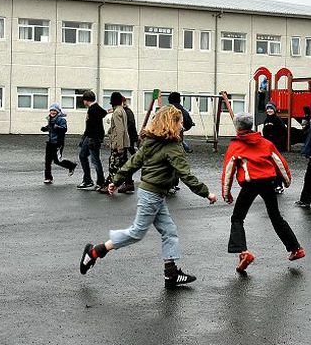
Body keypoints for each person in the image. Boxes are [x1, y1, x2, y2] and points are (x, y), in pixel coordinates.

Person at [79, 105, 217, 288]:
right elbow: (186, 175)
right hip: (152, 195)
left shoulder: (151, 141)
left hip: (153, 194)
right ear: (171, 123)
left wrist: (116, 180)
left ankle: (171, 274)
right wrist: (206, 193)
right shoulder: (173, 147)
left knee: (169, 231)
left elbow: (133, 162)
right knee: (137, 233)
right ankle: (95, 252)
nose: (182, 127)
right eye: (180, 123)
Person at [222, 112, 305, 273]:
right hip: (268, 182)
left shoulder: (235, 146)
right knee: (275, 216)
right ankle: (296, 249)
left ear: (237, 127)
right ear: (251, 125)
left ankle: (243, 252)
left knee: (238, 218)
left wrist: (226, 193)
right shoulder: (265, 143)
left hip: (250, 183)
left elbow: (228, 171)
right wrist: (286, 180)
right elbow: (280, 162)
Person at [100, 92, 130, 194]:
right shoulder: (122, 110)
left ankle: (109, 185)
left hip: (118, 143)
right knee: (122, 164)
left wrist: (119, 145)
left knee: (113, 164)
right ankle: (127, 183)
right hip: (123, 141)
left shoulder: (117, 112)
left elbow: (119, 129)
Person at [77, 90, 107, 190]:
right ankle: (88, 180)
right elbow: (103, 113)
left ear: (86, 100)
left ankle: (100, 182)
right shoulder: (95, 108)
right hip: (90, 137)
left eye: (83, 100)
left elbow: (92, 127)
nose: (83, 102)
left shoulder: (93, 109)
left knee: (95, 160)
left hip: (92, 138)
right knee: (83, 155)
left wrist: (88, 138)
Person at [41, 103, 77, 184]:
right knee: (47, 161)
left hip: (58, 143)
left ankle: (71, 165)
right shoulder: (50, 118)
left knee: (57, 161)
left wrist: (57, 127)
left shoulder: (61, 119)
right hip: (50, 142)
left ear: (57, 111)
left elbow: (64, 129)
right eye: (51, 110)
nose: (52, 112)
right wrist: (45, 128)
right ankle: (48, 178)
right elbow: (50, 127)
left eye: (54, 110)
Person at [261, 102, 288, 194]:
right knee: (268, 166)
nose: (269, 110)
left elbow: (283, 132)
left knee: (276, 166)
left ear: (274, 110)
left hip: (276, 147)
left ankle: (279, 185)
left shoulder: (277, 120)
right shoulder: (266, 120)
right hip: (267, 146)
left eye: (271, 109)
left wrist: (278, 143)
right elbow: (265, 133)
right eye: (268, 109)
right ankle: (271, 185)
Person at [121, 96, 138, 193]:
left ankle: (128, 182)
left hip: (128, 139)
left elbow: (130, 124)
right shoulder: (126, 111)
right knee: (126, 160)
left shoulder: (127, 112)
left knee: (124, 161)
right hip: (128, 139)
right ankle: (127, 182)